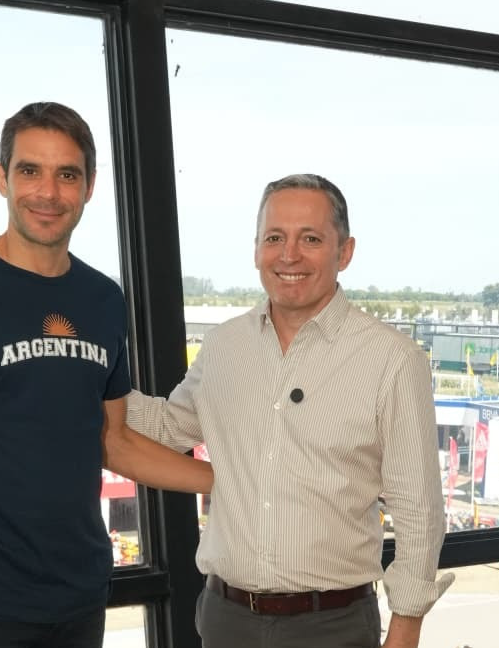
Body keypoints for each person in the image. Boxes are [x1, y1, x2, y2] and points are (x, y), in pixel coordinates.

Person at [0, 101, 212, 648]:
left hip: (81, 597)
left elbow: (115, 440)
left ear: (89, 187)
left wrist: (226, 482)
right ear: (1, 178)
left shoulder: (103, 299)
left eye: (67, 175)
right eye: (29, 171)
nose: (48, 192)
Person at [127, 174, 453, 648]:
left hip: (333, 626)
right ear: (256, 248)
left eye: (311, 239)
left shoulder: (393, 360)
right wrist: (78, 386)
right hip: (224, 620)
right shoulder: (223, 346)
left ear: (345, 251)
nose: (289, 255)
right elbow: (168, 426)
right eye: (274, 238)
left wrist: (405, 630)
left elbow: (418, 508)